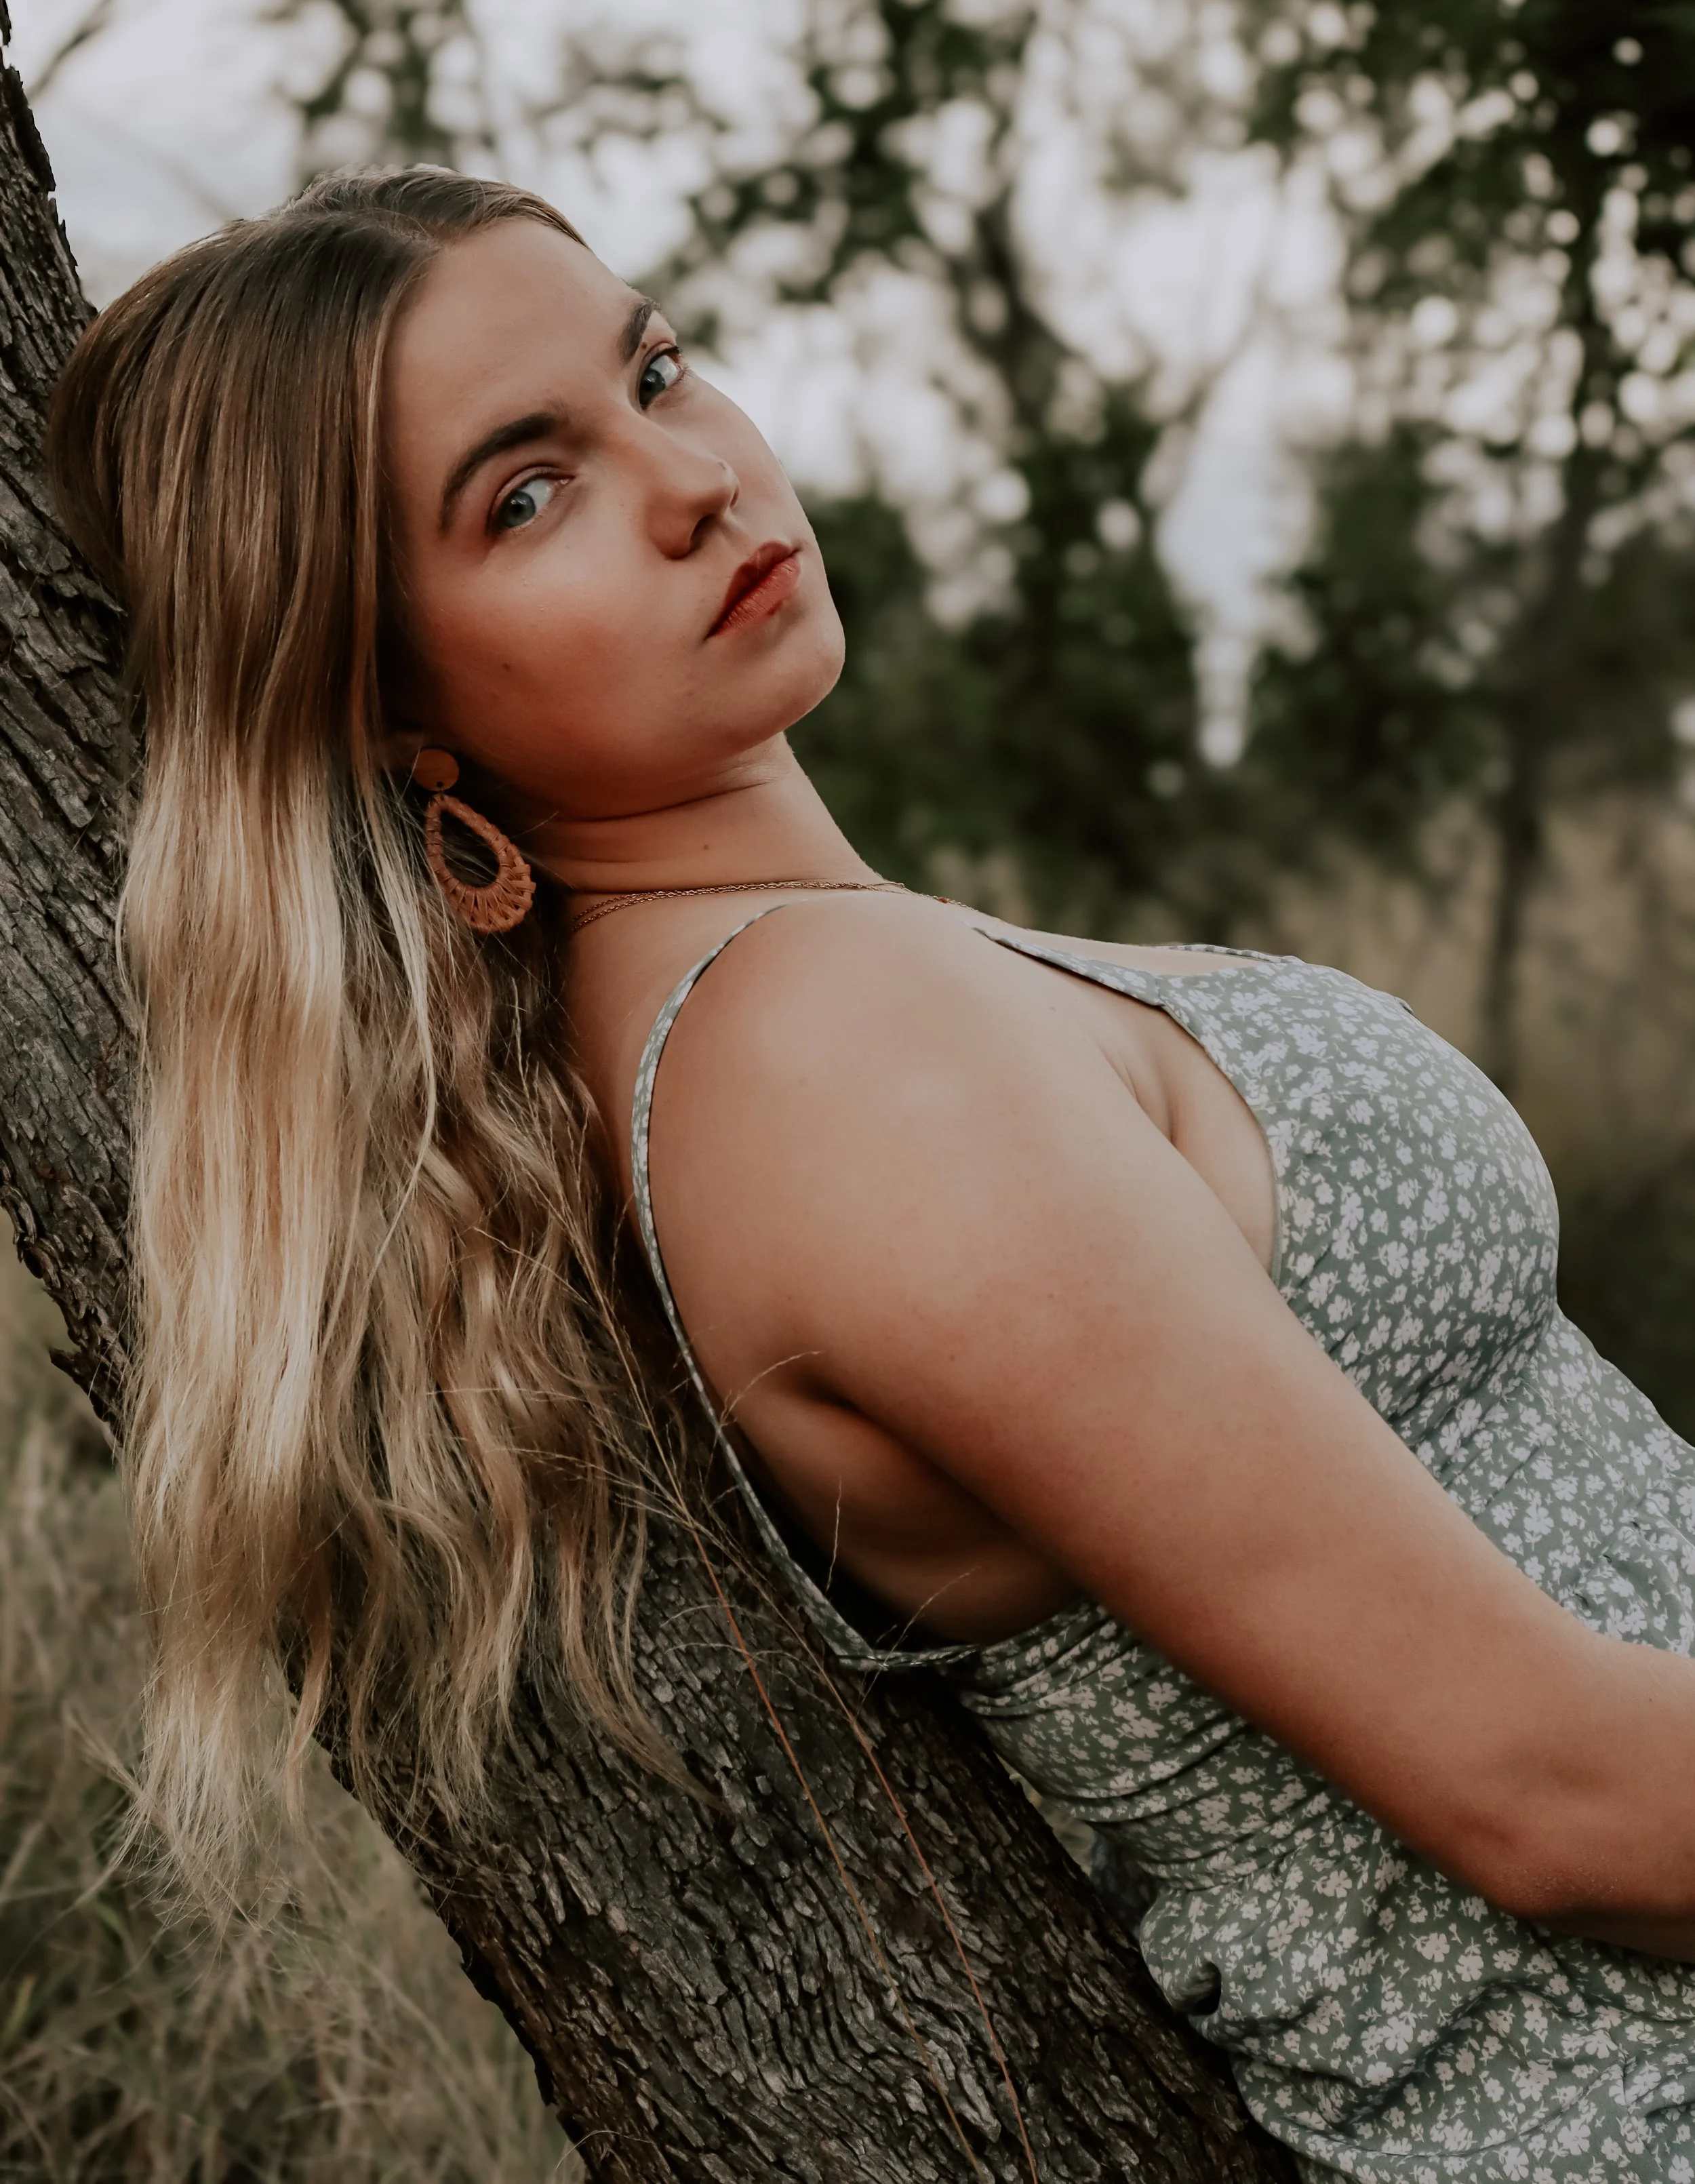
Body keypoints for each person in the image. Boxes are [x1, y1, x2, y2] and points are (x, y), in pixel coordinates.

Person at [44, 165, 1695, 2183]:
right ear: (381, 704)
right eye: (524, 492)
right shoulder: (825, 1056)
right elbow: (1549, 1791)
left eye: (654, 369)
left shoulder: (784, 996)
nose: (688, 478)